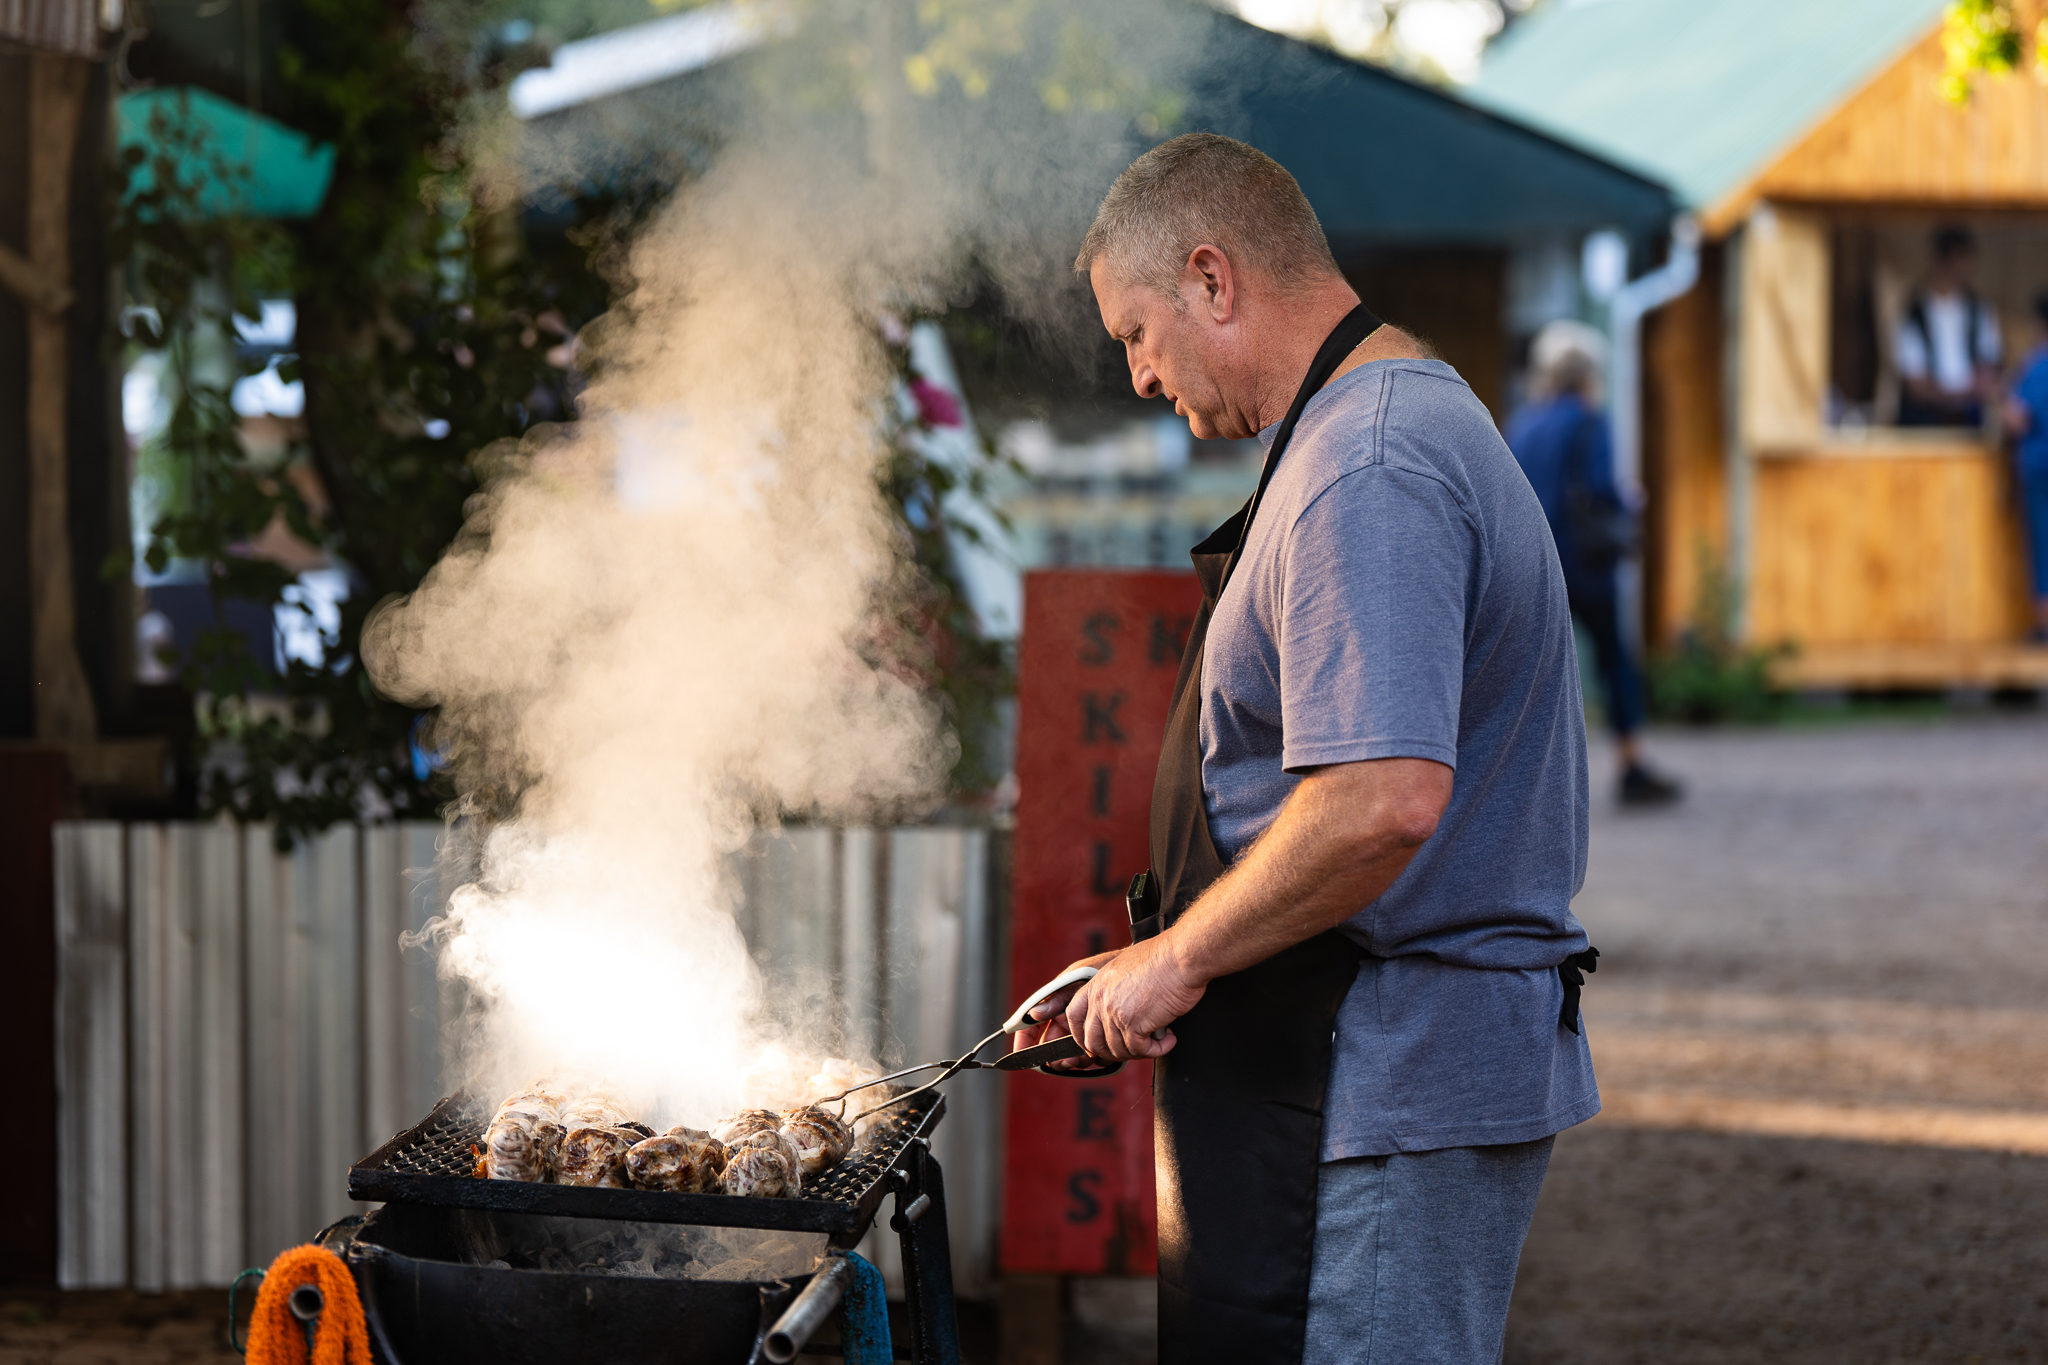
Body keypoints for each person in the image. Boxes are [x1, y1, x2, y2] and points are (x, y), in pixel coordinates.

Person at [1016, 133, 1601, 1365]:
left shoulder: (1366, 464)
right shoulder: (1373, 430)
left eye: (1135, 332)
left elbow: (1380, 800)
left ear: (1211, 280)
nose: (1135, 376)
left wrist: (1176, 958)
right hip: (1351, 1071)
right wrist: (1141, 963)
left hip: (1378, 1082)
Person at [1503, 320, 1682, 806]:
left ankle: (1519, 781)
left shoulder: (1523, 422)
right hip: (1584, 562)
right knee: (1614, 660)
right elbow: (1602, 487)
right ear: (1586, 375)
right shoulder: (1589, 419)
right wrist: (1629, 501)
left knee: (1529, 670)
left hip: (1531, 562)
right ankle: (1631, 763)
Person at [1896, 225, 2003, 428]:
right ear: (1943, 261)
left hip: (1969, 421)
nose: (1964, 269)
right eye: (1959, 260)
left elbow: (1989, 366)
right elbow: (1915, 384)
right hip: (1925, 421)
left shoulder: (1979, 310)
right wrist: (1958, 394)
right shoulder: (1915, 313)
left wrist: (1976, 389)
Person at [2002, 291, 2048, 643]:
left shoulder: (2036, 365)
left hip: (2038, 467)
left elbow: (2017, 418)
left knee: (2041, 542)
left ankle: (2043, 623)